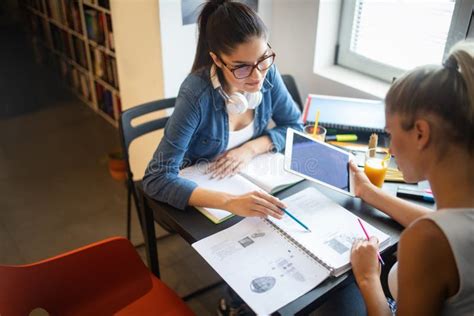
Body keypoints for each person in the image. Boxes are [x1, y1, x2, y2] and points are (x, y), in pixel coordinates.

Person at [143, 0, 302, 219]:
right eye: (242, 67)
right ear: (217, 59)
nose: (257, 77)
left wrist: (250, 149)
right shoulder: (195, 94)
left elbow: (295, 126)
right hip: (208, 194)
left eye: (263, 58)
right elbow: (156, 178)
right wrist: (229, 202)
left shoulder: (268, 72)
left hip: (251, 181)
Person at [349, 40, 474, 315]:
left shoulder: (426, 243)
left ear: (420, 133)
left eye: (391, 134)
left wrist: (368, 278)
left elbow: (433, 236)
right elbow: (446, 227)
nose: (390, 148)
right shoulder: (459, 211)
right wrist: (369, 192)